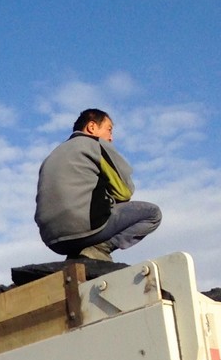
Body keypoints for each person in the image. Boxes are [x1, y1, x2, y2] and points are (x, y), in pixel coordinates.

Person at [34, 109, 161, 261]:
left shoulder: (52, 156)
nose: (111, 138)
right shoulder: (94, 144)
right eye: (109, 130)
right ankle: (100, 249)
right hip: (84, 228)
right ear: (92, 127)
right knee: (152, 214)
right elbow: (124, 192)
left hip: (52, 239)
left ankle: (78, 255)